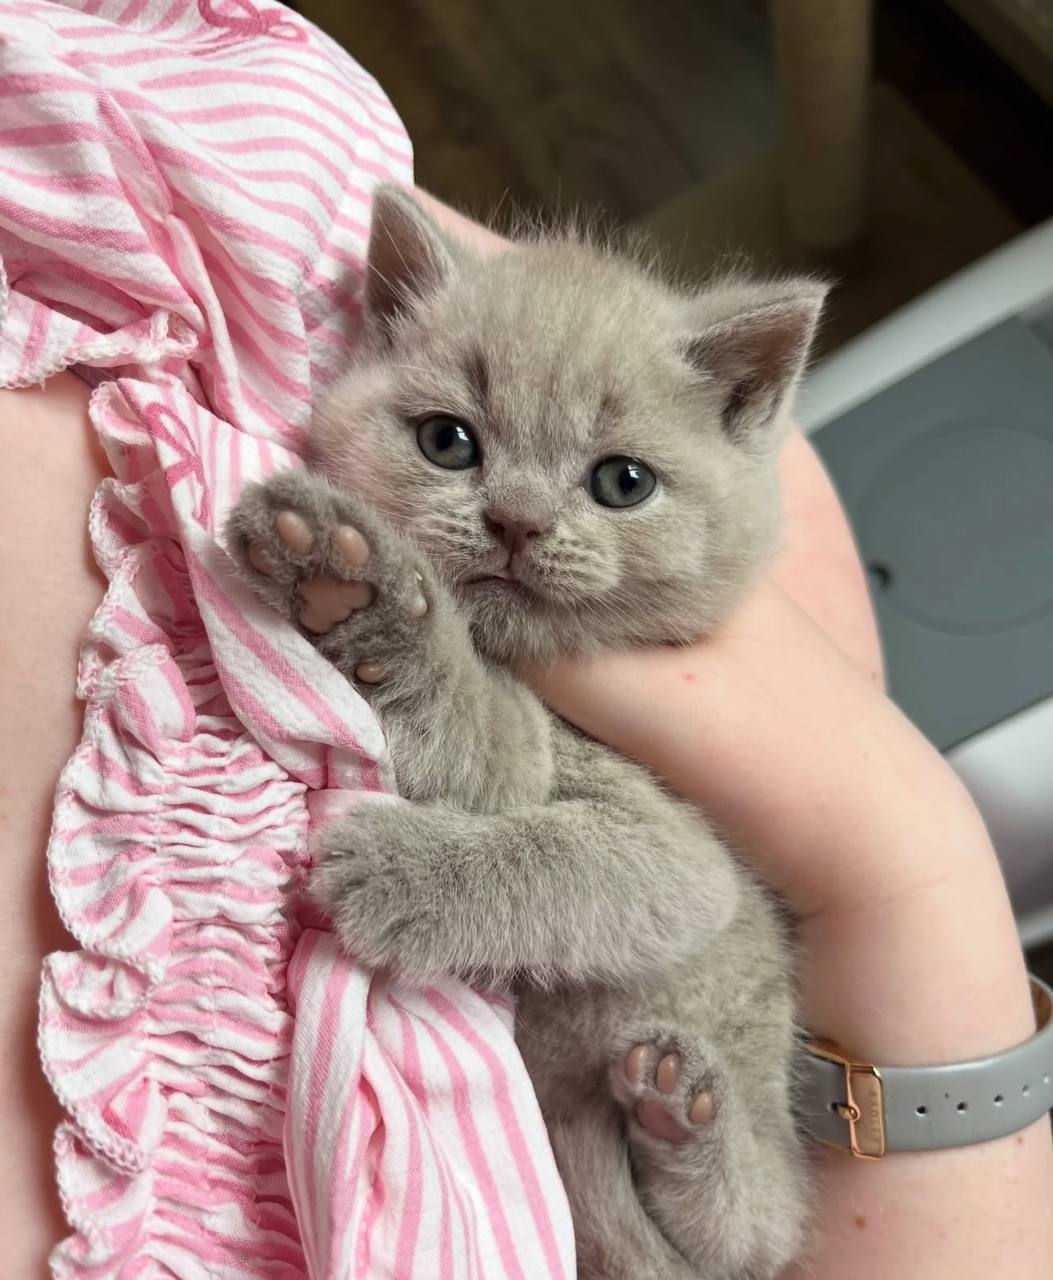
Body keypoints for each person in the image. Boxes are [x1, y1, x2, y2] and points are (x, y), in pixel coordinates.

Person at [3, 20, 1050, 1280]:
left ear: (746, 407)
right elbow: (493, 765)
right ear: (380, 343)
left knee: (728, 1195)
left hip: (691, 1083)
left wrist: (445, 882)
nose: (519, 516)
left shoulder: (694, 671)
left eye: (615, 478)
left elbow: (670, 884)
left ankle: (694, 1160)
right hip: (584, 1135)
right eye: (451, 442)